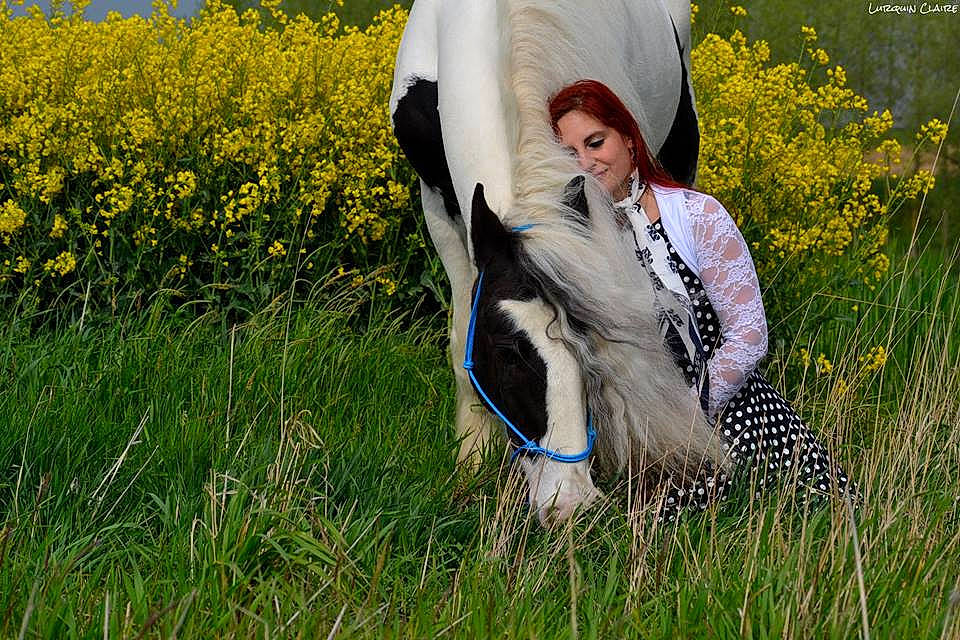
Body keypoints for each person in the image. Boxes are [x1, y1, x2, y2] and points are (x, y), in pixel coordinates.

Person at [548, 79, 855, 519]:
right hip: (633, 441)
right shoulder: (575, 244)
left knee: (790, 529)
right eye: (568, 154)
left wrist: (685, 420)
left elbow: (749, 335)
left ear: (631, 140)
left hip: (727, 419)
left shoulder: (696, 216)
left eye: (596, 142)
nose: (585, 162)